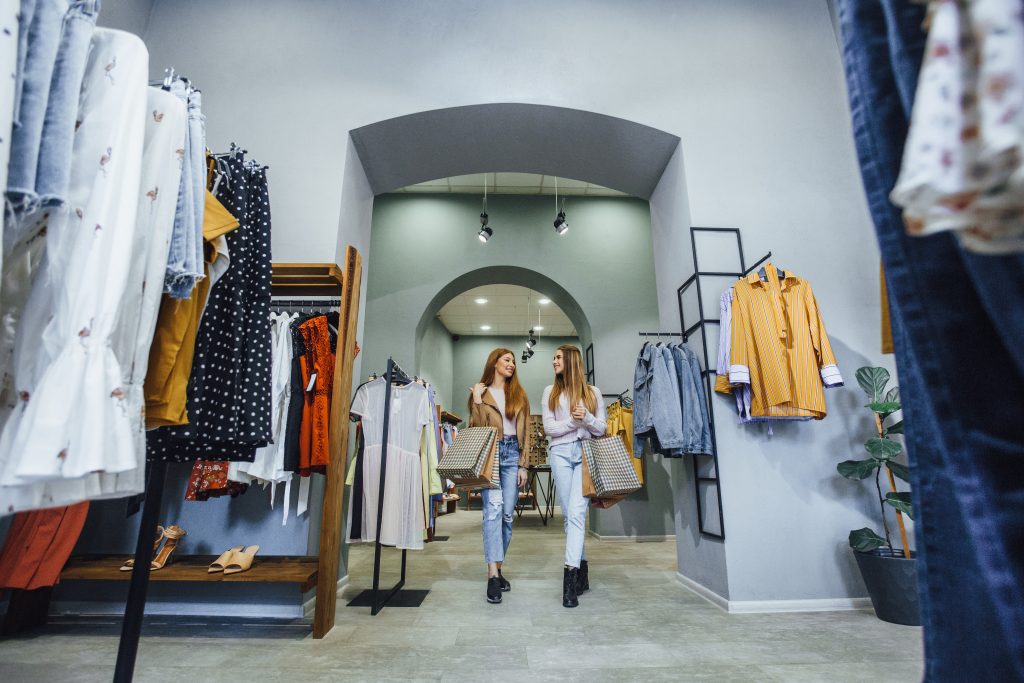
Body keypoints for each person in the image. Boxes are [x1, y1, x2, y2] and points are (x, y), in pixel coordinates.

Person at [542, 344, 606, 608]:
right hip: (559, 454)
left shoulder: (593, 393)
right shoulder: (550, 392)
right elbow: (549, 428)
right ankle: (582, 572)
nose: (554, 361)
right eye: (554, 357)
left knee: (577, 514)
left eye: (558, 357)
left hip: (585, 454)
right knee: (570, 515)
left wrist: (588, 418)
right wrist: (573, 421)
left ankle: (569, 581)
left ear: (570, 360)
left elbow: (601, 428)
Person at [468, 347, 531, 604]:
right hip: (491, 455)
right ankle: (493, 575)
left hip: (512, 455)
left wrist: (523, 465)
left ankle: (498, 567)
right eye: (507, 360)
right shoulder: (481, 393)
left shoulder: (518, 394)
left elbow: (526, 432)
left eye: (514, 361)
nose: (512, 364)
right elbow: (477, 427)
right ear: (494, 363)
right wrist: (477, 400)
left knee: (506, 515)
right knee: (493, 511)